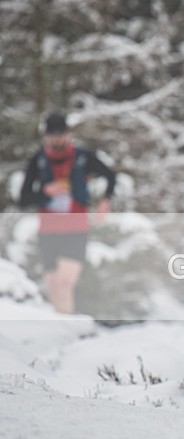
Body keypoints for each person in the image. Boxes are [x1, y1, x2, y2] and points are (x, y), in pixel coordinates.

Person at [19, 110, 116, 314]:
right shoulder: (38, 161)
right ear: (46, 136)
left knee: (64, 283)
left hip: (75, 229)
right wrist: (45, 193)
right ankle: (61, 328)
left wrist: (105, 201)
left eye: (60, 134)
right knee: (53, 285)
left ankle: (67, 328)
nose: (57, 138)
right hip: (48, 231)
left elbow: (110, 175)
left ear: (68, 133)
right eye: (52, 134)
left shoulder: (82, 158)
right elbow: (24, 198)